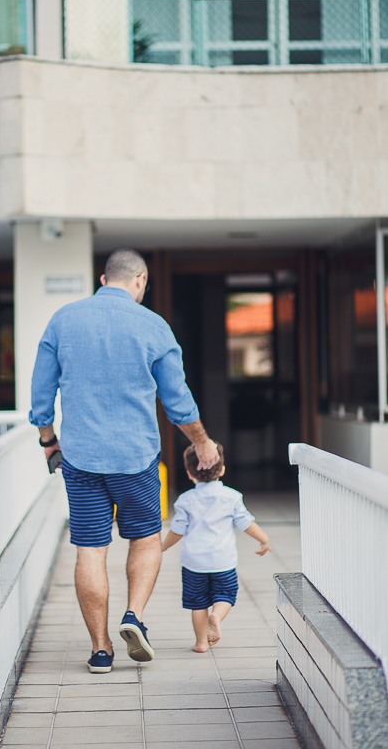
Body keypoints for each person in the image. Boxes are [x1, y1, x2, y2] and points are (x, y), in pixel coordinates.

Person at [30, 248, 220, 673]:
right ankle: (133, 616)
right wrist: (203, 443)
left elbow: (42, 389)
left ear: (103, 280)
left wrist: (47, 439)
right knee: (146, 538)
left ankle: (100, 650)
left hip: (80, 460)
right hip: (135, 460)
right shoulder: (153, 326)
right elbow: (178, 402)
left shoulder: (64, 319)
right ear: (140, 281)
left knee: (90, 551)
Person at [162, 442, 271, 652]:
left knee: (197, 603)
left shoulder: (185, 500)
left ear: (188, 473)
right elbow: (246, 524)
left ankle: (201, 643)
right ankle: (217, 616)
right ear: (222, 469)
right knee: (225, 595)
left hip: (194, 562)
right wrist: (264, 539)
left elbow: (177, 529)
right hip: (223, 560)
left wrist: (162, 547)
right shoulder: (231, 497)